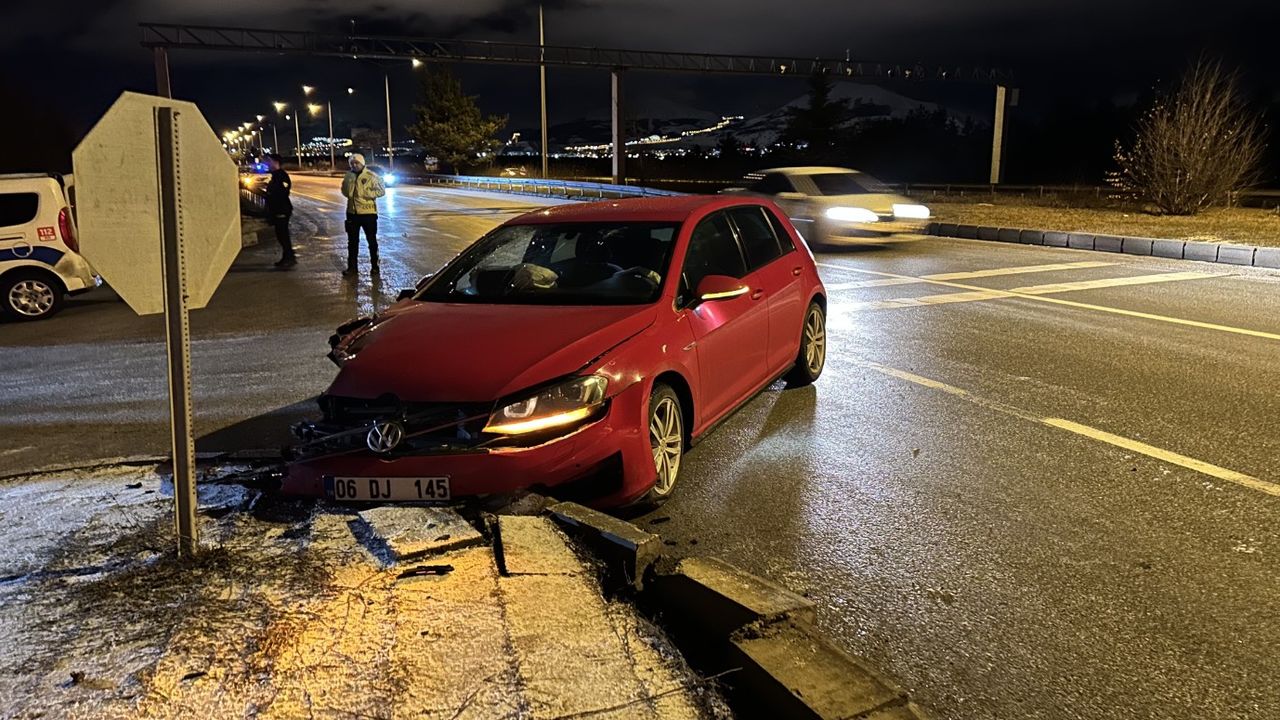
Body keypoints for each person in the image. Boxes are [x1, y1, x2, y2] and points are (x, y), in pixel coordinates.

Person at [340, 153, 386, 276]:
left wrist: (366, 193)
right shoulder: (348, 176)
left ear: (362, 163)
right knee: (352, 242)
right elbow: (344, 191)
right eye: (352, 163)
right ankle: (352, 268)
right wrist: (349, 192)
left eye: (357, 163)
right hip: (352, 213)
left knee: (371, 241)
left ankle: (375, 266)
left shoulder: (371, 176)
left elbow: (381, 191)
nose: (354, 165)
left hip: (368, 214)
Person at [265, 154, 295, 269]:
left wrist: (271, 195)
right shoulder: (275, 176)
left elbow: (283, 192)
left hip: (282, 209)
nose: (268, 163)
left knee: (283, 235)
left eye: (270, 161)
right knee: (280, 235)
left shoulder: (282, 176)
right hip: (277, 209)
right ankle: (287, 256)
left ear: (276, 162)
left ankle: (289, 258)